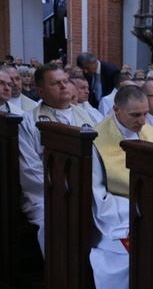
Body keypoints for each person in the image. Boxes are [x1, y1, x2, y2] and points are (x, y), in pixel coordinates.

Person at [90, 85, 153, 289]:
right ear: (116, 110)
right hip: (116, 221)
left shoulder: (151, 133)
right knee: (128, 255)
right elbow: (97, 194)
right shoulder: (96, 140)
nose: (142, 121)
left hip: (151, 214)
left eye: (145, 114)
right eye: (135, 115)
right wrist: (136, 213)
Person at [18, 63, 97, 254]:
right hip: (46, 195)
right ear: (41, 91)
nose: (64, 87)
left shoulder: (90, 116)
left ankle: (96, 277)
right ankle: (62, 279)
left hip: (89, 191)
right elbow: (30, 169)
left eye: (65, 81)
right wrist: (64, 192)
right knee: (57, 221)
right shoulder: (28, 121)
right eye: (56, 83)